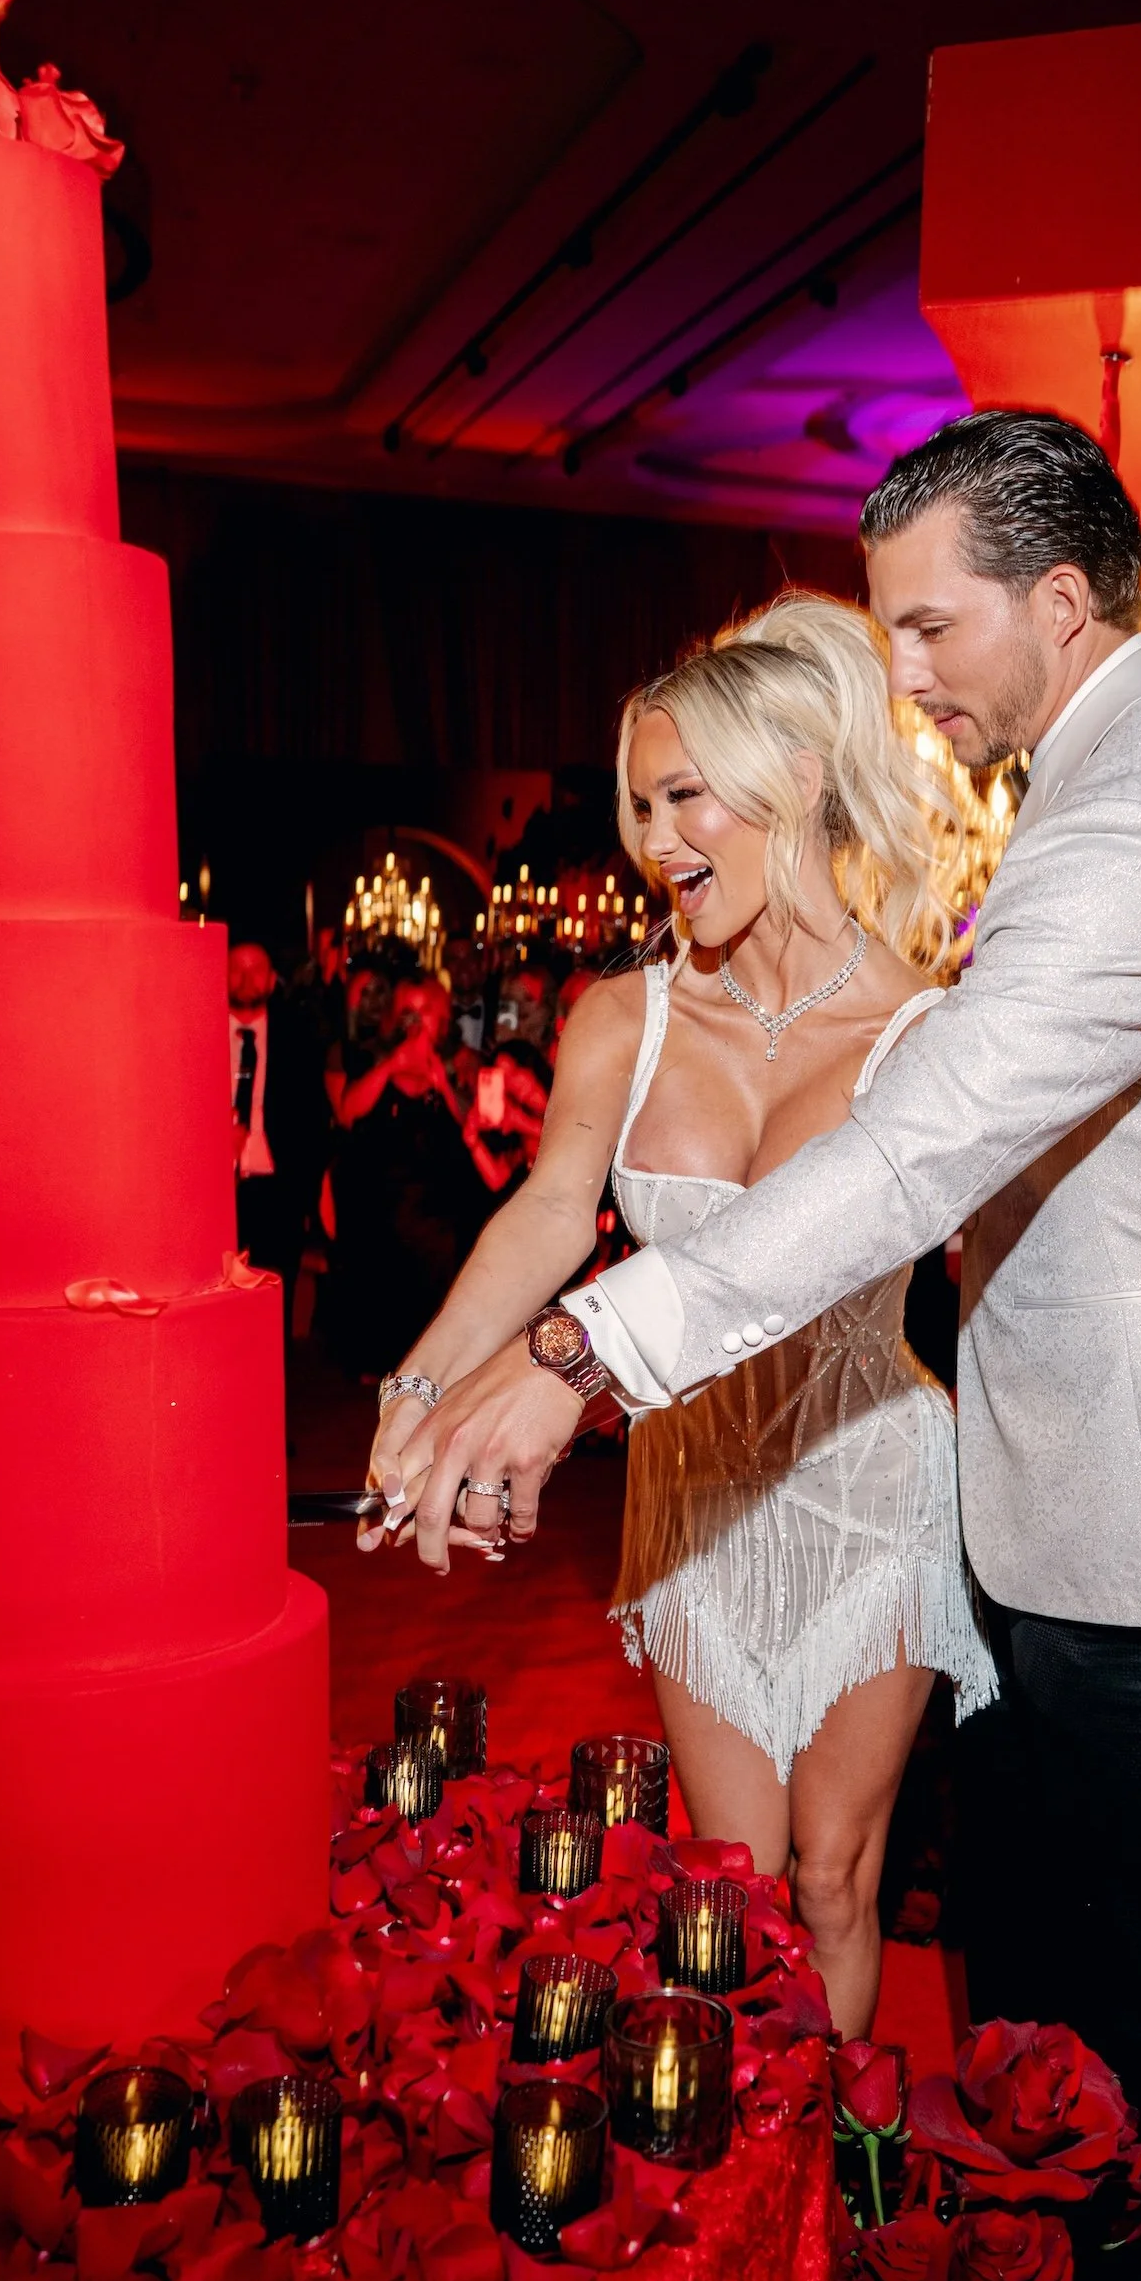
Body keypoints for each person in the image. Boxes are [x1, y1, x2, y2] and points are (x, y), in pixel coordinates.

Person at [392, 409, 1141, 2281]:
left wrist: (582, 1349)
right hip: (1036, 1504)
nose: (900, 680)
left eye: (930, 631)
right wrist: (460, 1367)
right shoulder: (1097, 790)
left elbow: (914, 1164)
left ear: (1064, 599)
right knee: (1032, 1986)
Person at [366, 596, 996, 2037]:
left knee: (838, 1880)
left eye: (685, 797)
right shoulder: (624, 1015)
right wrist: (422, 1386)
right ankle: (755, 2186)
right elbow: (544, 1215)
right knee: (735, 1886)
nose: (656, 839)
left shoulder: (927, 1035)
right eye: (639, 803)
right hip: (697, 1498)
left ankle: (822, 2207)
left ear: (790, 788)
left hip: (871, 1488)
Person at [332, 976, 491, 1373]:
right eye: (409, 1012)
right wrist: (391, 1066)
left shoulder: (460, 1062)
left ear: (442, 1019)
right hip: (383, 1199)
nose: (418, 1023)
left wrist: (440, 1079)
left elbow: (472, 1123)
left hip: (437, 1205)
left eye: (427, 1013)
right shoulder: (373, 1056)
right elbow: (349, 1111)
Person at [226, 935, 329, 1311]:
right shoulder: (197, 1035)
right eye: (236, 969)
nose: (246, 978)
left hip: (277, 1194)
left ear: (272, 980)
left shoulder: (298, 1040)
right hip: (217, 1193)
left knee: (272, 1308)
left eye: (256, 970)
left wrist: (304, 1197)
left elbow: (315, 1122)